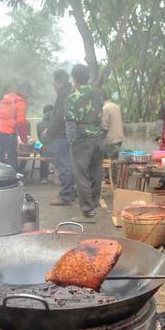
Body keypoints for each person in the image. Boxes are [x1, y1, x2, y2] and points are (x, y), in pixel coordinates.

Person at [65, 64, 105, 218]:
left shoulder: (73, 95)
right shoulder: (98, 94)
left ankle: (87, 208)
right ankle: (94, 203)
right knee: (96, 172)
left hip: (81, 138)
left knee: (81, 174)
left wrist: (71, 142)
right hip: (97, 136)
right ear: (87, 76)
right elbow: (101, 116)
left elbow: (70, 122)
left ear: (74, 77)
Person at [47, 69, 76, 205]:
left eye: (53, 81)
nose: (52, 84)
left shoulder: (63, 94)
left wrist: (49, 131)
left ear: (58, 82)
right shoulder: (72, 92)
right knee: (70, 164)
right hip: (71, 134)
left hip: (61, 135)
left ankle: (65, 195)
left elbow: (58, 117)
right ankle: (71, 192)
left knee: (64, 165)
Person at [0, 83, 28, 170]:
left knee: (0, 158)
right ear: (23, 91)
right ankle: (12, 180)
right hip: (9, 134)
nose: (28, 95)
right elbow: (21, 122)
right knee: (11, 158)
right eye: (28, 92)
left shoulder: (4, 100)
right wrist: (24, 139)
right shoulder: (20, 102)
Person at [102, 93, 124, 160]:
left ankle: (112, 171)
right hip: (119, 138)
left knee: (108, 163)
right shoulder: (116, 106)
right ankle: (115, 170)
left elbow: (104, 126)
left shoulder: (105, 108)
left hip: (110, 140)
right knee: (114, 161)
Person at [36, 104, 54, 184]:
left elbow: (40, 139)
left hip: (46, 150)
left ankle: (43, 178)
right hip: (59, 149)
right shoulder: (57, 124)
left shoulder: (39, 124)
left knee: (43, 153)